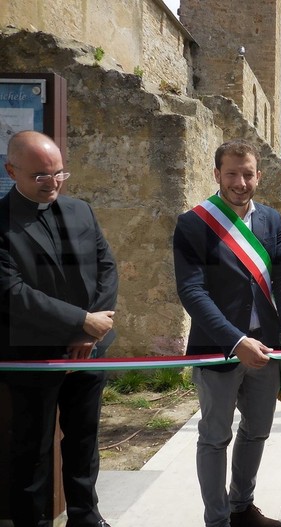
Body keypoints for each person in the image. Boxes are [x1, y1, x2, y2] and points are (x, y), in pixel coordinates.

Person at [173, 139, 281, 527]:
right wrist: (235, 340)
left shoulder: (271, 221)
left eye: (248, 174)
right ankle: (217, 521)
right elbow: (192, 291)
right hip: (219, 349)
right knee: (215, 437)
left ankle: (241, 507)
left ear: (258, 175)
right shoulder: (193, 223)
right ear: (217, 175)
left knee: (258, 430)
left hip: (266, 347)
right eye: (231, 173)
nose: (240, 181)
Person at [0, 131, 118, 527]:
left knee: (84, 442)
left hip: (88, 350)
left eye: (59, 173)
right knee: (31, 449)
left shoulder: (80, 210)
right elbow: (13, 293)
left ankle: (86, 516)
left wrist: (91, 331)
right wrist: (79, 321)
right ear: (11, 170)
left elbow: (107, 268)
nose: (53, 183)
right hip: (32, 352)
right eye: (41, 177)